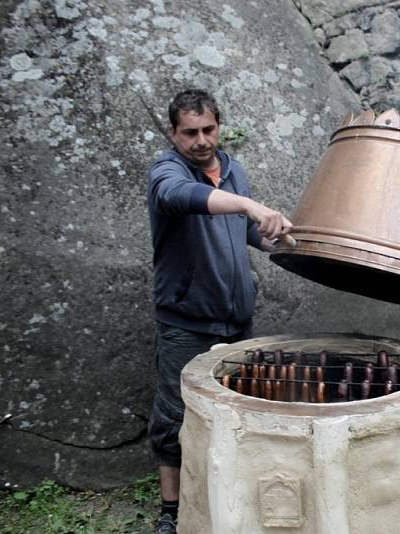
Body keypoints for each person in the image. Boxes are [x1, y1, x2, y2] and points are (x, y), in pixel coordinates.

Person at [146, 89, 293, 534]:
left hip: (236, 320)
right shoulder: (166, 171)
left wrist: (276, 238)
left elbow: (246, 232)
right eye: (189, 132)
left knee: (236, 408)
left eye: (208, 129)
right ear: (174, 133)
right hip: (185, 322)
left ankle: (228, 492)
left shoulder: (233, 170)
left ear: (219, 126)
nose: (201, 140)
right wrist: (249, 204)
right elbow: (182, 196)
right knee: (174, 417)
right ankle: (171, 512)